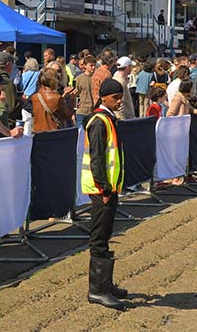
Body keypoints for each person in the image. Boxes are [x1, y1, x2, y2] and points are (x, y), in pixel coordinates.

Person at [82, 78, 128, 310]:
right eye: (115, 98)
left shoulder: (108, 119)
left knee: (106, 234)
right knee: (99, 237)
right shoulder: (99, 121)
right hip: (101, 189)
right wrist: (105, 188)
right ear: (103, 98)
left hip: (109, 188)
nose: (119, 101)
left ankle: (105, 284)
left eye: (121, 97)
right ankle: (97, 290)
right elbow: (97, 158)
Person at [75, 55, 95, 129]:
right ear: (85, 66)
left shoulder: (96, 79)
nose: (93, 67)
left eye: (94, 65)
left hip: (93, 111)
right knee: (81, 132)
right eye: (91, 65)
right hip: (82, 111)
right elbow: (74, 95)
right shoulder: (78, 79)